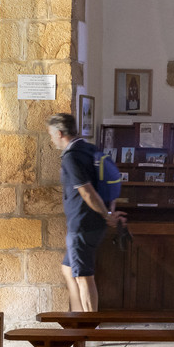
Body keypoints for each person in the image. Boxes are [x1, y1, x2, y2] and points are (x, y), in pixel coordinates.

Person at [47, 113, 122, 312]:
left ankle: (90, 328)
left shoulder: (71, 157)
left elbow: (87, 193)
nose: (51, 139)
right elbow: (112, 180)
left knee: (84, 277)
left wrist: (107, 216)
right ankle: (78, 315)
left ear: (60, 133)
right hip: (91, 223)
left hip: (82, 224)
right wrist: (109, 212)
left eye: (51, 134)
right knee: (68, 269)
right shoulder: (90, 149)